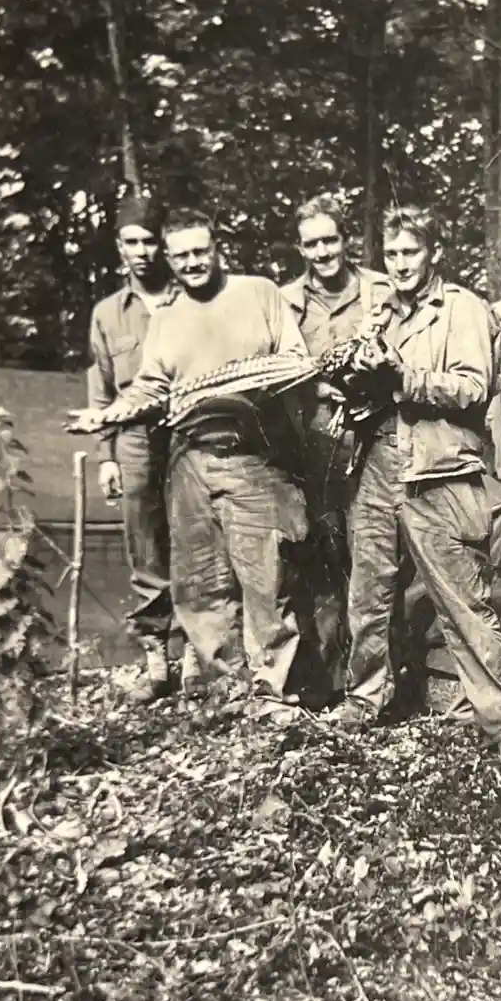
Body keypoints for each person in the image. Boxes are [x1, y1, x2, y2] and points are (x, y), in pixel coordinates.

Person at [74, 208, 318, 701]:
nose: (192, 262)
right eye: (181, 255)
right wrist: (105, 417)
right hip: (190, 463)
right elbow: (150, 385)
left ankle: (272, 690)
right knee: (202, 582)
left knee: (265, 576)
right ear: (170, 259)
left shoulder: (260, 294)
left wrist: (247, 382)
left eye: (199, 251)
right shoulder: (165, 320)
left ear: (216, 248)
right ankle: (228, 690)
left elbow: (297, 360)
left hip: (254, 457)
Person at [331, 203, 501, 761]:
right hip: (376, 462)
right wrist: (353, 378)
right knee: (367, 591)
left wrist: (400, 378)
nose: (399, 263)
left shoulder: (461, 308)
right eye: (391, 254)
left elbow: (472, 388)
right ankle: (365, 699)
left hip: (436, 469)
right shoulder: (383, 312)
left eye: (409, 252)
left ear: (434, 253)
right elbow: (366, 387)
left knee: (462, 599)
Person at [87, 195, 194, 702]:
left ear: (165, 246)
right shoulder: (109, 313)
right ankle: (157, 656)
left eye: (151, 241)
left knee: (196, 536)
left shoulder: (191, 298)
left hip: (189, 431)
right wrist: (107, 454)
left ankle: (198, 649)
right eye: (132, 242)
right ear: (119, 248)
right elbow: (102, 387)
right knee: (145, 542)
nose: (143, 252)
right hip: (133, 439)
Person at [281, 194, 392, 536]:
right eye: (311, 244)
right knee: (322, 529)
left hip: (376, 430)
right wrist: (313, 387)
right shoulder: (286, 301)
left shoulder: (380, 289)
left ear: (346, 239)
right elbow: (278, 368)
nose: (323, 252)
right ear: (300, 249)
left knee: (377, 530)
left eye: (330, 240)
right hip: (314, 433)